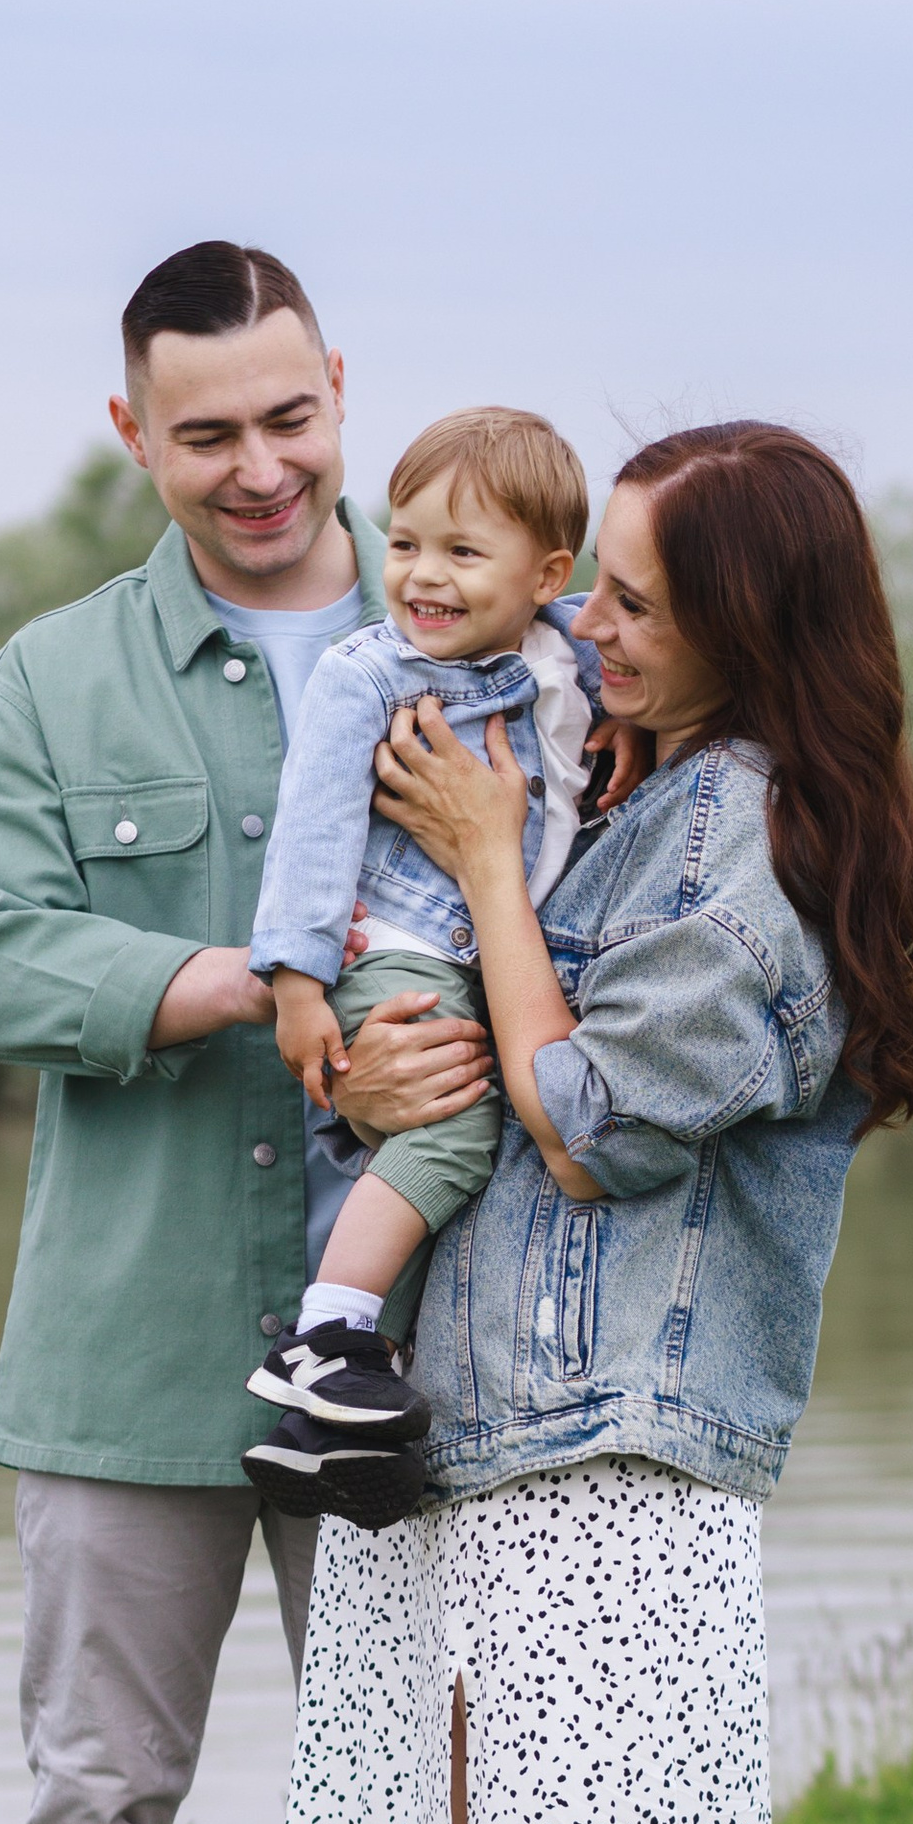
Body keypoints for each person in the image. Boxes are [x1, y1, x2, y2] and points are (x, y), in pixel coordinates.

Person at [241, 421, 913, 1824]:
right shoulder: (612, 770)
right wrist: (372, 1032)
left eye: (636, 597)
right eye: (605, 588)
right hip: (490, 1432)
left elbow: (583, 1117)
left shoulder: (750, 841)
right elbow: (466, 1056)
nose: (594, 624)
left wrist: (481, 866)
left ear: (746, 618)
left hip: (623, 1457)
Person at [0, 238, 547, 1824]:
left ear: (338, 392)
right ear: (134, 437)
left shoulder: (494, 632)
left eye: (291, 419)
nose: (262, 468)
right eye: (208, 434)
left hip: (428, 1347)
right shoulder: (43, 686)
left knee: (420, 1812)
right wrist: (257, 996)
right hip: (122, 1356)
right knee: (100, 1806)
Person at [241, 407, 600, 1508]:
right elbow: (310, 833)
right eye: (403, 544)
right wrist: (295, 985)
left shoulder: (567, 649)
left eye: (461, 551)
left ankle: (330, 1423)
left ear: (545, 574)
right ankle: (329, 1337)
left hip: (489, 955)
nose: (422, 578)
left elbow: (651, 630)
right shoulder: (372, 675)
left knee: (471, 1144)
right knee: (455, 1132)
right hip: (400, 948)